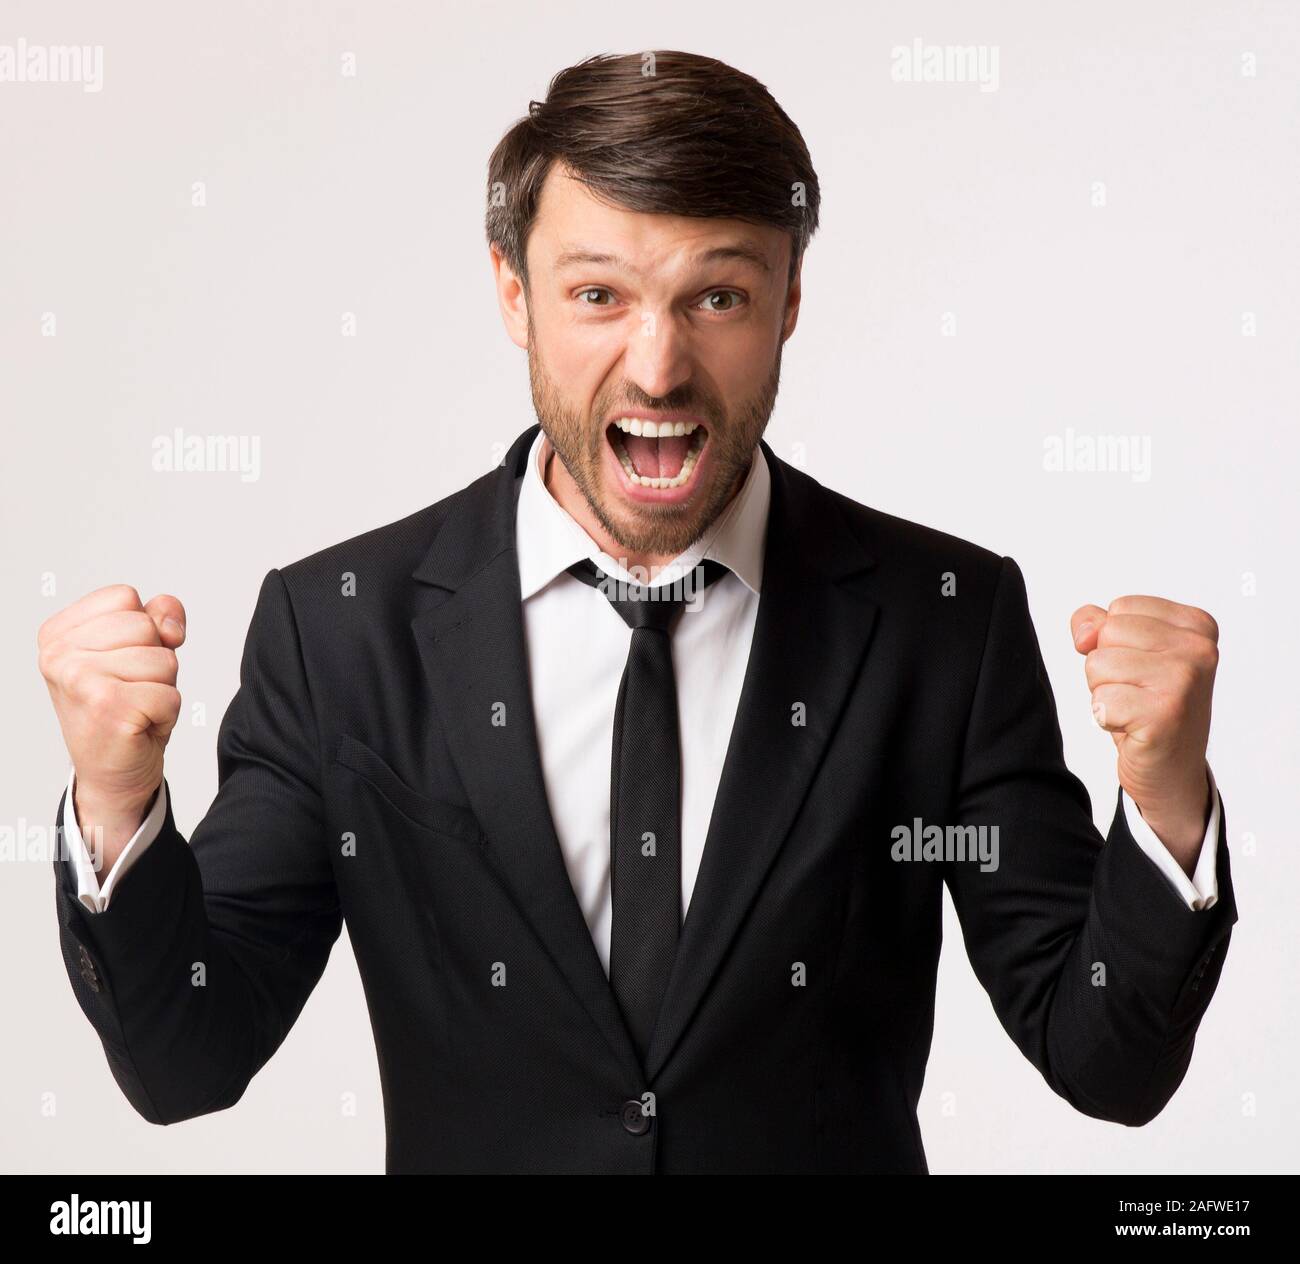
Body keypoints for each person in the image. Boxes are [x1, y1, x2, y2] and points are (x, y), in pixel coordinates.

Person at [39, 50, 1236, 1174]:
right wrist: (114, 800)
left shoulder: (943, 623)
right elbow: (188, 1057)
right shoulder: (340, 630)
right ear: (514, 294)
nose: (657, 367)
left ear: (789, 301)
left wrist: (1167, 796)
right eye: (598, 293)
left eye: (716, 296)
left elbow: (1105, 1061)